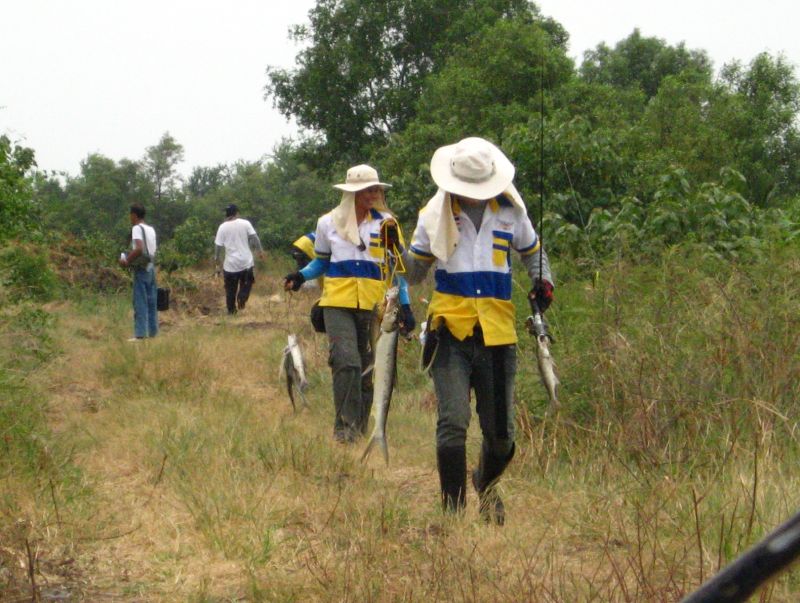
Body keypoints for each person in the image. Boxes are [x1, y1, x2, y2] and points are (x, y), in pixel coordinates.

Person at [403, 137, 554, 524]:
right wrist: (405, 262)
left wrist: (543, 281)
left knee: (501, 435)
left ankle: (486, 484)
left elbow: (533, 252)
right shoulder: (432, 214)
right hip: (449, 331)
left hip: (498, 333)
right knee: (453, 423)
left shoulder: (511, 212)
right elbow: (414, 272)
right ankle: (452, 514)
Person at [283, 165, 416, 443]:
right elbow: (322, 261)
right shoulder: (327, 223)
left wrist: (405, 306)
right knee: (346, 362)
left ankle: (362, 430)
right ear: (353, 193)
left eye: (376, 189)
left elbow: (397, 269)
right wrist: (300, 276)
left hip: (375, 306)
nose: (374, 194)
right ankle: (344, 430)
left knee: (369, 369)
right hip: (337, 302)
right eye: (368, 190)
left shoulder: (387, 224)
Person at [214, 204, 264, 315]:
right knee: (247, 283)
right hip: (246, 262)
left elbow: (218, 246)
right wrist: (260, 251)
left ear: (226, 215)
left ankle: (231, 311)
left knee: (230, 290)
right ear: (237, 213)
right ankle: (242, 298)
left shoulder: (222, 227)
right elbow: (255, 238)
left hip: (230, 265)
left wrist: (217, 260)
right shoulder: (245, 223)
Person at [119, 203, 159, 341]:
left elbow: (139, 249)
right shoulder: (151, 229)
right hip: (152, 267)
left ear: (134, 215)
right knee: (152, 301)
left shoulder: (136, 228)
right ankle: (153, 333)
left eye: (130, 215)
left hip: (141, 269)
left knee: (140, 300)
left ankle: (140, 334)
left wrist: (127, 261)